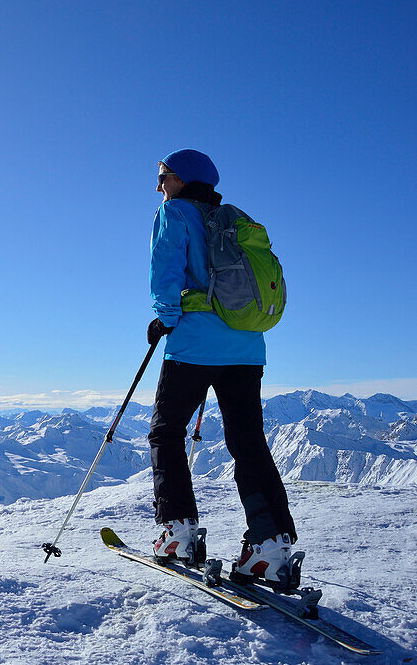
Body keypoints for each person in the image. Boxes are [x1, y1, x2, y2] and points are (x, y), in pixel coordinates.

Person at [146, 148, 298, 586]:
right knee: (248, 440)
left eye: (164, 176)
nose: (159, 186)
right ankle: (269, 546)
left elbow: (166, 272)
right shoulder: (233, 220)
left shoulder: (175, 213)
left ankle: (177, 530)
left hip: (195, 344)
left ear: (183, 179)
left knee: (166, 430)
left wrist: (165, 319)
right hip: (247, 348)